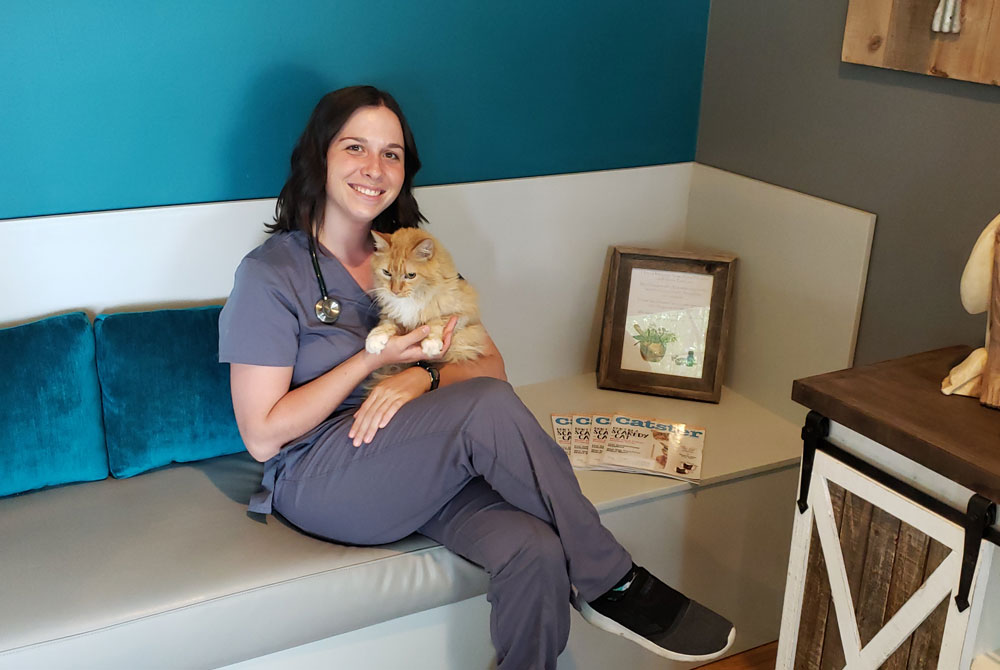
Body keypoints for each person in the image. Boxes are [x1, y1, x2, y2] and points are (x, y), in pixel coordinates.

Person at [218, 85, 735, 669]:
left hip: (419, 452)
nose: (374, 167)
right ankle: (613, 581)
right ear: (320, 156)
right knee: (485, 407)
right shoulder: (270, 275)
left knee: (535, 550)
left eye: (392, 153)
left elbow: (492, 367)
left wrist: (424, 381)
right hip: (322, 474)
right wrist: (371, 362)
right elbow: (262, 436)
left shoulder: (418, 255)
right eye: (355, 147)